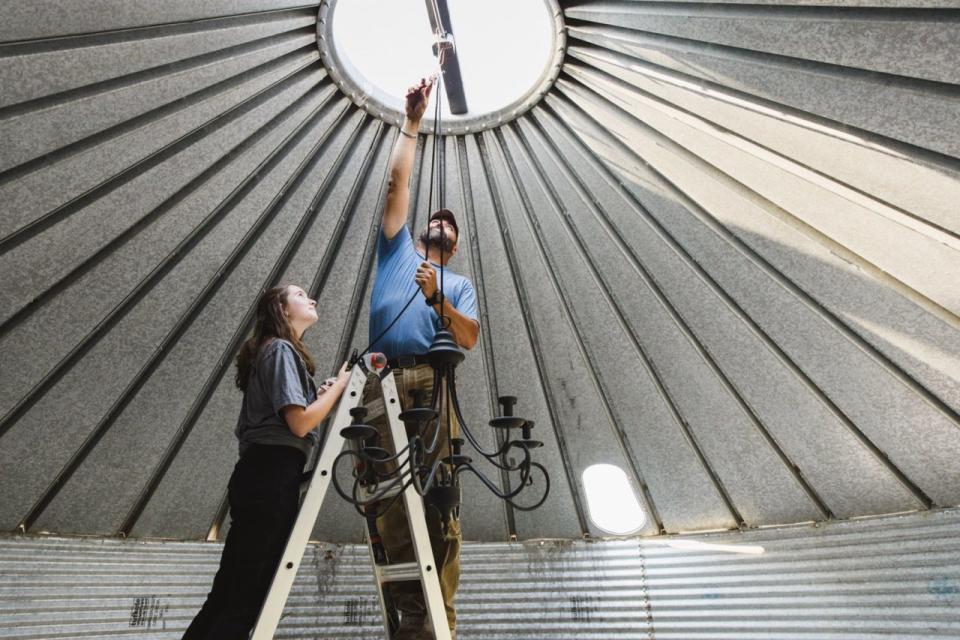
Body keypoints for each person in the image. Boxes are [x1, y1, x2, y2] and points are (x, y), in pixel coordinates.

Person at [362, 77, 480, 640]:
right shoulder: (395, 251)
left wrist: (438, 298)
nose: (441, 223)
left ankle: (443, 618)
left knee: (441, 495)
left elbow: (472, 337)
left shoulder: (457, 284)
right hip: (380, 379)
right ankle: (408, 606)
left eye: (449, 227)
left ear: (452, 246)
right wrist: (411, 121)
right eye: (435, 220)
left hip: (435, 384)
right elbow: (396, 183)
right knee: (385, 487)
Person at [183, 284, 351, 639]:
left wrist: (318, 396)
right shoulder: (279, 350)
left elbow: (297, 416)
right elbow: (301, 422)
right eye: (301, 294)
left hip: (261, 473)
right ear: (281, 308)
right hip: (270, 474)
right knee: (246, 596)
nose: (312, 299)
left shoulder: (278, 352)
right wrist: (340, 388)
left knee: (229, 592)